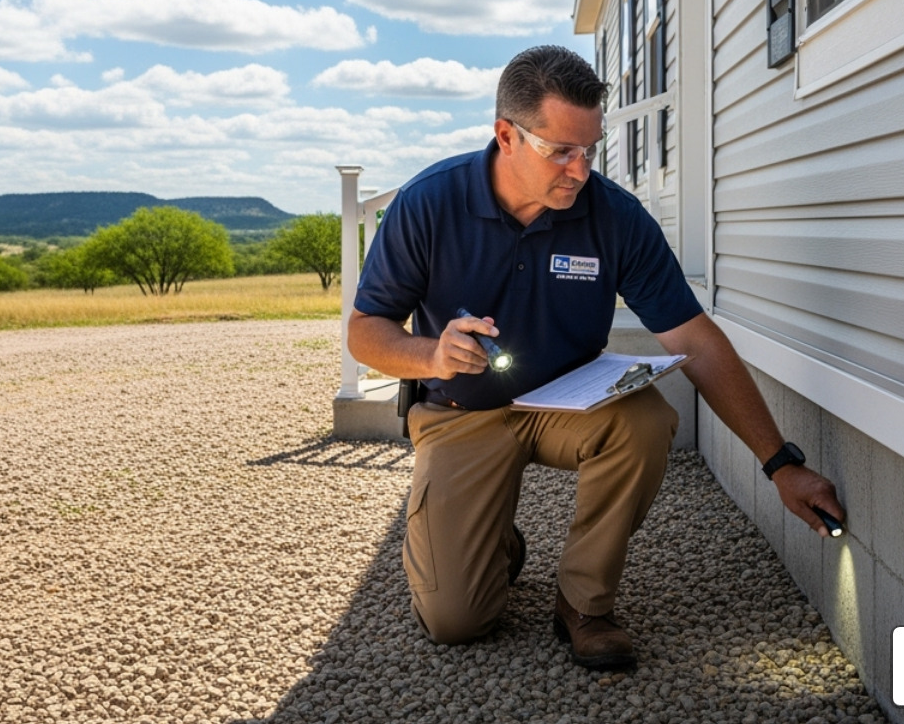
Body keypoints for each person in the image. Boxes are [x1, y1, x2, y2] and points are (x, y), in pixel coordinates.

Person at [347, 44, 844, 671]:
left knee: (645, 420)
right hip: (461, 410)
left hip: (569, 402)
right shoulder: (429, 203)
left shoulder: (615, 218)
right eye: (560, 150)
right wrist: (431, 354)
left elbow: (693, 338)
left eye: (591, 149)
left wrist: (779, 463)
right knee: (456, 621)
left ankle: (585, 604)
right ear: (506, 135)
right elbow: (365, 332)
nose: (580, 170)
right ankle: (493, 542)